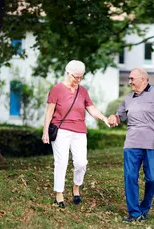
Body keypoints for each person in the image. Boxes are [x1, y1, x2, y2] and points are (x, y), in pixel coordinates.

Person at [42, 60, 110, 208]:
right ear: (67, 73)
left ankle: (76, 187)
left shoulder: (83, 91)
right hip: (61, 130)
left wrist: (104, 118)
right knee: (61, 162)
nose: (78, 80)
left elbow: (91, 109)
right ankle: (59, 194)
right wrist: (45, 131)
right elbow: (49, 112)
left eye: (81, 77)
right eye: (75, 77)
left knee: (81, 163)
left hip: (79, 131)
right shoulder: (57, 89)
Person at [108, 68, 154, 222]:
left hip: (153, 143)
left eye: (132, 79)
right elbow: (119, 118)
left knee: (152, 179)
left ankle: (144, 208)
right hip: (132, 143)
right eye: (129, 79)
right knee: (130, 177)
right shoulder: (128, 99)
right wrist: (113, 117)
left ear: (143, 79)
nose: (129, 82)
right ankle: (134, 213)